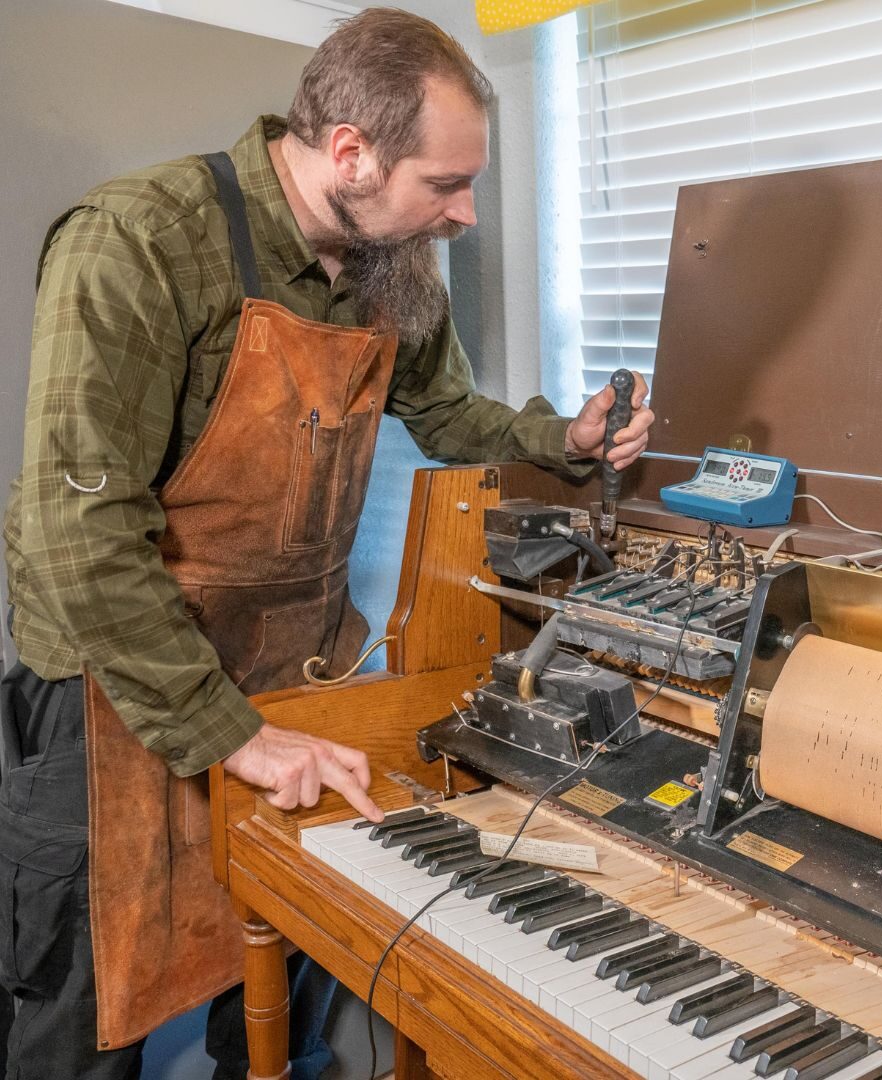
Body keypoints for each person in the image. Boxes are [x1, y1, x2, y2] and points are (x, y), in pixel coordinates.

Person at [0, 8, 653, 1080]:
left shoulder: (389, 268)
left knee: (266, 998)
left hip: (292, 678)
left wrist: (566, 439)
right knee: (86, 1028)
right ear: (349, 151)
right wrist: (232, 736)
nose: (466, 212)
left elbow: (452, 418)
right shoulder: (138, 240)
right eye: (445, 185)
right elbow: (80, 535)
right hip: (114, 700)